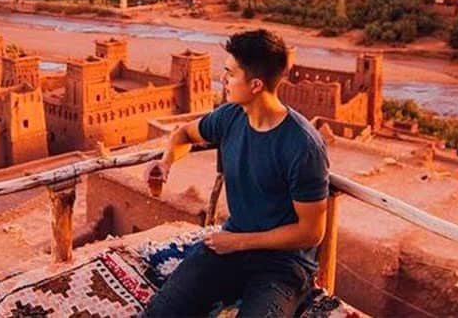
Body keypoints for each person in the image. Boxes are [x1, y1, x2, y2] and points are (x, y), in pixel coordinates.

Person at [141, 29, 330, 317]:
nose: (222, 79)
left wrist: (239, 241)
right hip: (231, 247)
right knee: (162, 312)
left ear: (255, 84)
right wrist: (165, 163)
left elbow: (311, 232)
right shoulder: (230, 117)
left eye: (229, 73)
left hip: (283, 266)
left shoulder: (302, 146)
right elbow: (182, 135)